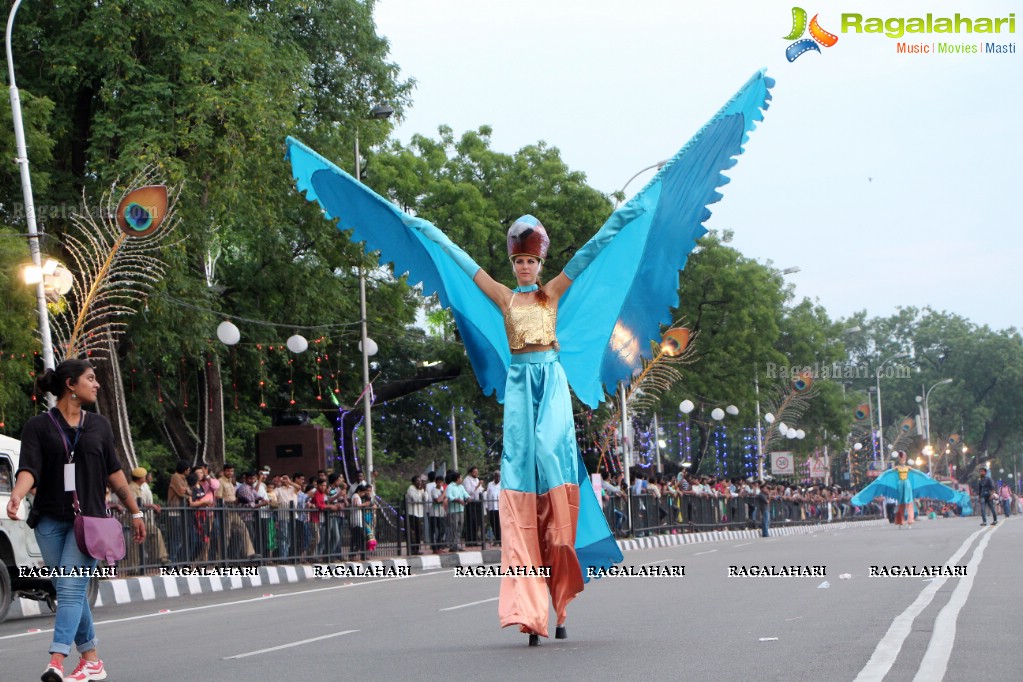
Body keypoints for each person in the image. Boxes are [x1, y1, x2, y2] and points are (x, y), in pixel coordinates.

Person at [5, 359, 145, 682]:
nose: (96, 385)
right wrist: (16, 494)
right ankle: (92, 659)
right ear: (71, 385)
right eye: (91, 379)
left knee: (68, 587)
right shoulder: (38, 427)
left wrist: (135, 510)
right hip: (49, 523)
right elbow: (29, 469)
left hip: (90, 523)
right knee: (69, 589)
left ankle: (56, 660)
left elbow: (115, 473)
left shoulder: (99, 426)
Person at [445, 470, 470, 552]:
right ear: (457, 478)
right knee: (454, 527)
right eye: (461, 478)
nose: (461, 479)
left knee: (460, 527)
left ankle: (457, 544)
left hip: (461, 510)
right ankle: (453, 545)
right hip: (453, 510)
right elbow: (449, 497)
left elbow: (465, 494)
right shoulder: (450, 487)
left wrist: (468, 498)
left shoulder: (461, 487)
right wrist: (457, 500)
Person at [405, 475, 429, 554]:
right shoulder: (411, 488)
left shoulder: (422, 489)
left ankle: (417, 548)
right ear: (413, 482)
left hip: (420, 513)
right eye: (417, 481)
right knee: (413, 532)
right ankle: (412, 548)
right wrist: (420, 493)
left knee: (419, 532)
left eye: (420, 481)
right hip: (412, 513)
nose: (419, 483)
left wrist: (424, 490)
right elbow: (415, 499)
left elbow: (426, 499)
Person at [485, 472, 502, 543]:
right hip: (492, 507)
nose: (497, 478)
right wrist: (486, 506)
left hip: (499, 507)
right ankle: (496, 538)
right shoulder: (490, 484)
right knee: (493, 523)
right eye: (496, 476)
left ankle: (499, 539)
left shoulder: (502, 484)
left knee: (499, 524)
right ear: (494, 477)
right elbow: (487, 495)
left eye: (499, 476)